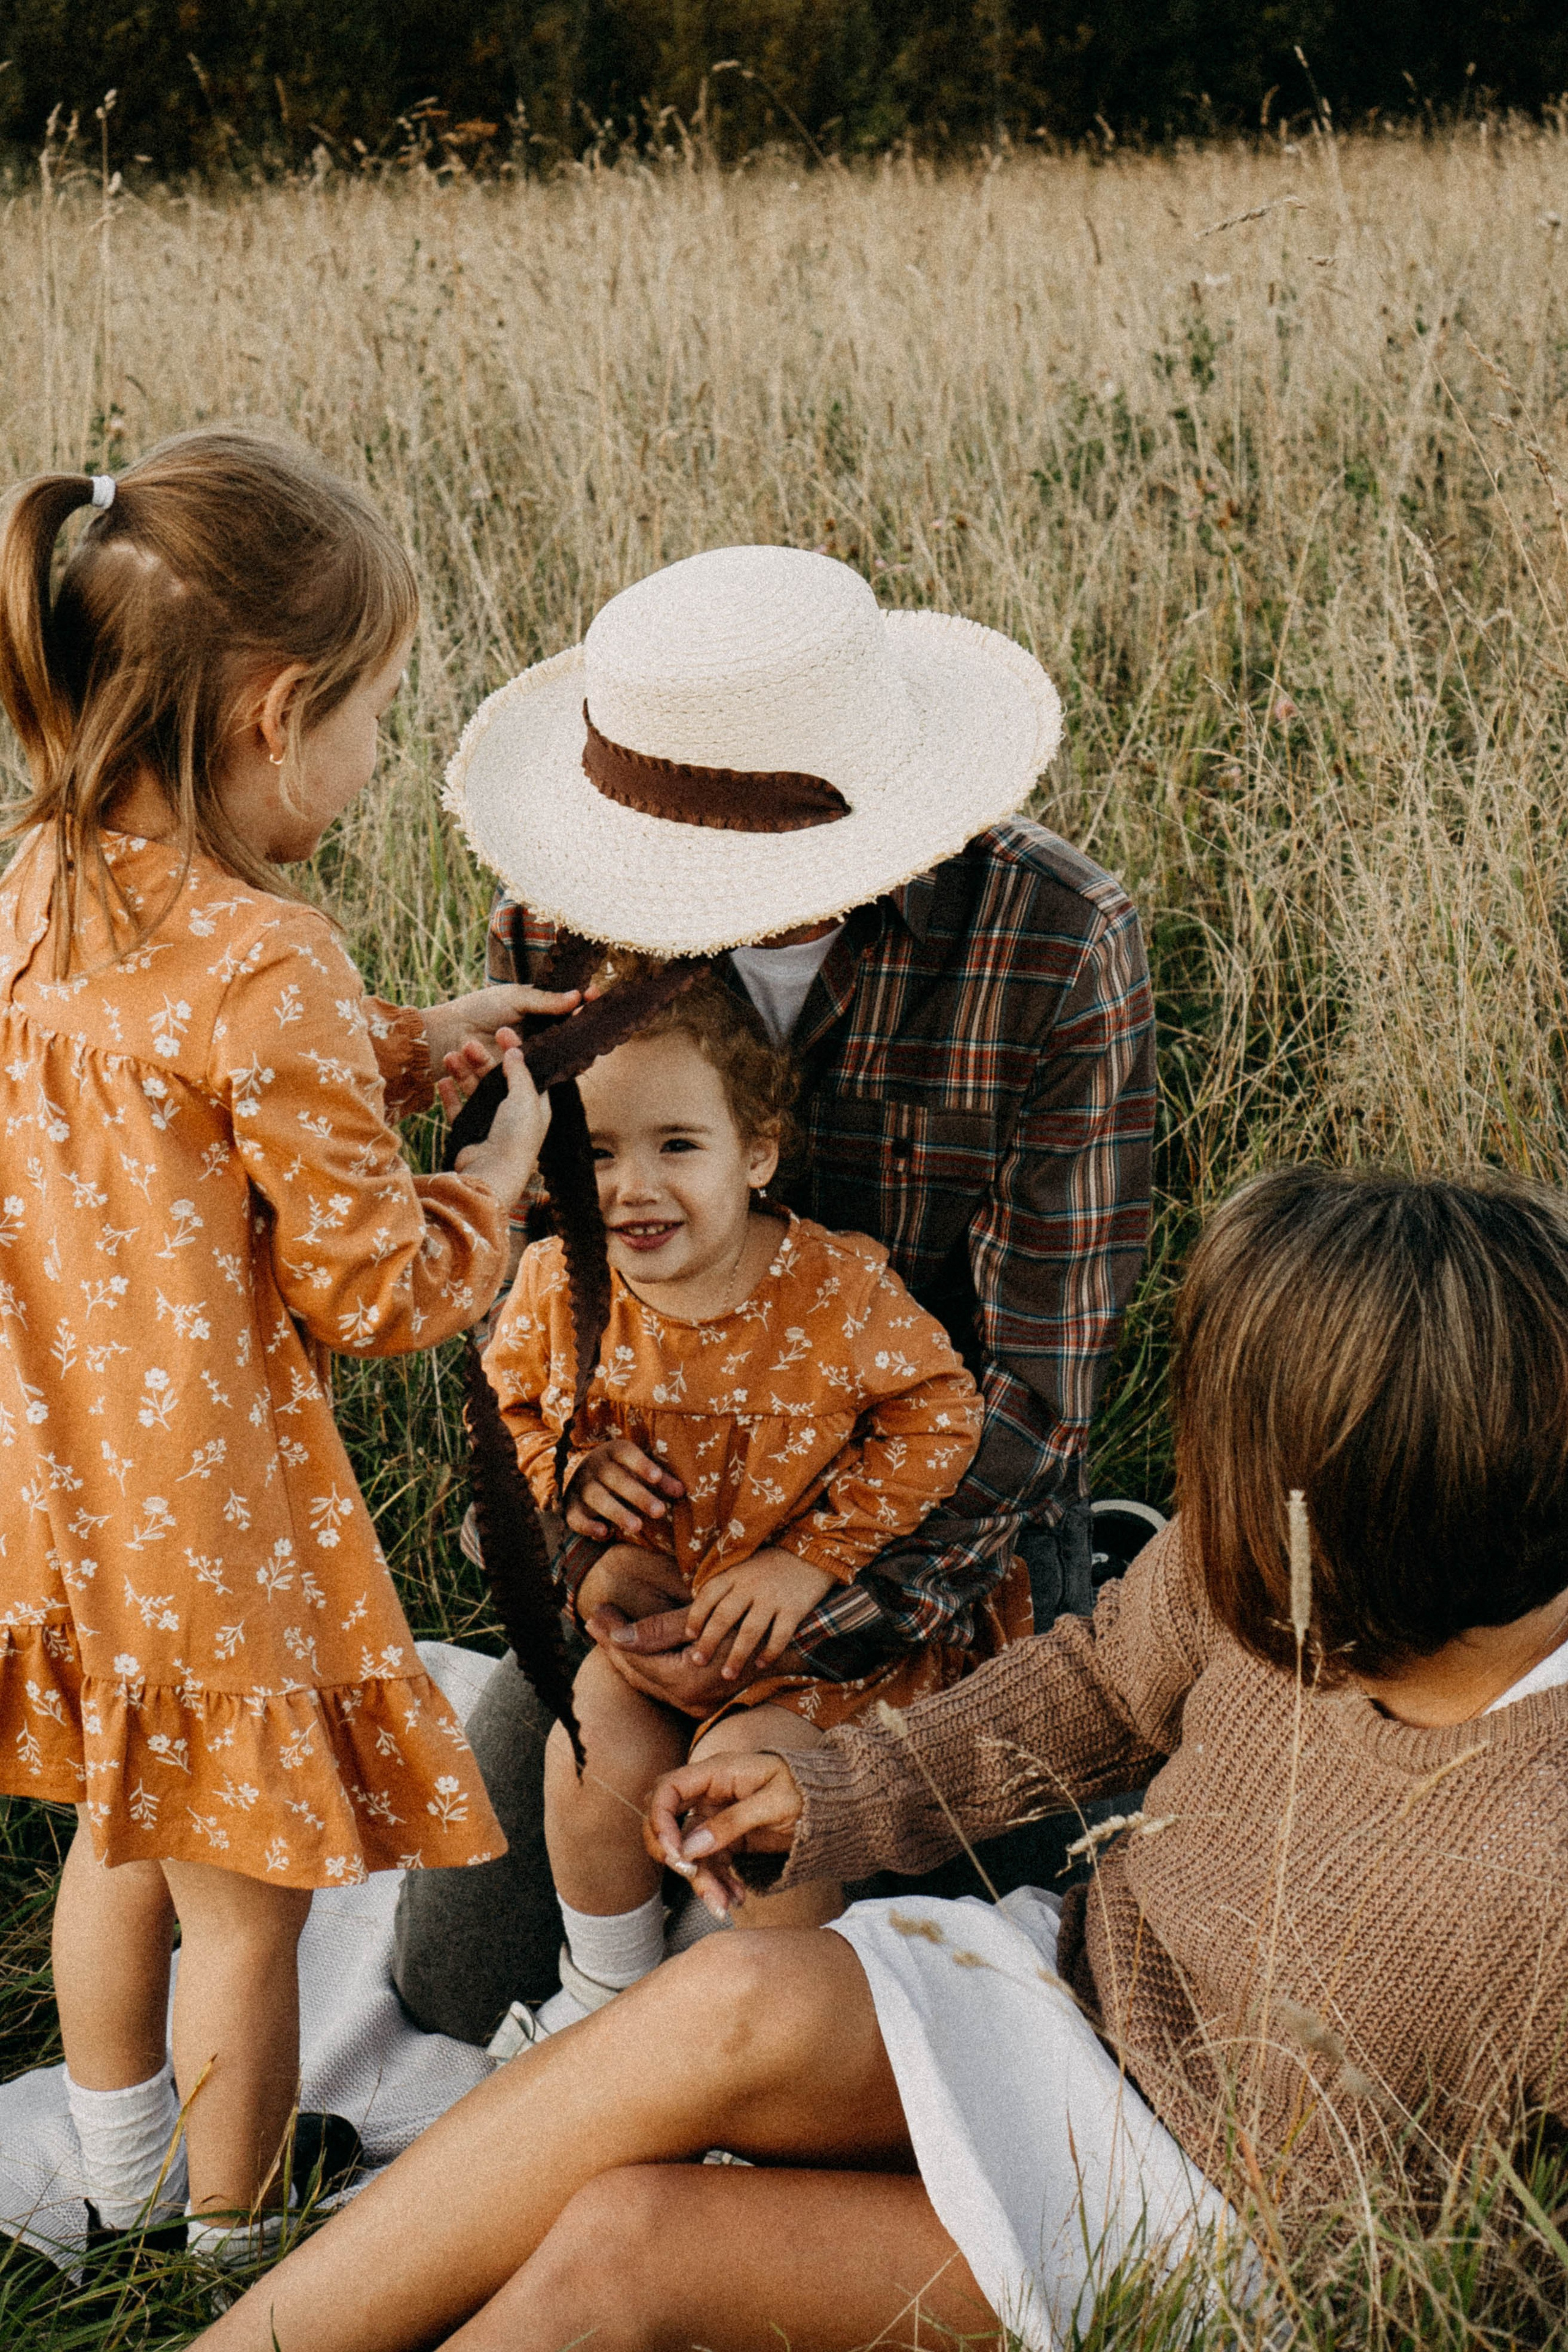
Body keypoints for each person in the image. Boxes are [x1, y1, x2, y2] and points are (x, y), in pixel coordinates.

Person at [192, 1164, 1568, 2350]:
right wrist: (835, 1793)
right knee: (728, 1996)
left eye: (1227, 1463)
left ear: (1355, 1511)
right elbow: (1090, 1684)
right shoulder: (1260, 1567)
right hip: (1085, 1992)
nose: (1197, 1501)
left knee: (628, 2249)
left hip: (1213, 2225)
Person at [393, 540, 1157, 2040]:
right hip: (668, 1552)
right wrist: (573, 1529)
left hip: (926, 1560)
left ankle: (1110, 1606)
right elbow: (525, 1311)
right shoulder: (555, 928)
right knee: (455, 1978)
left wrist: (833, 1604)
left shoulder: (1052, 941)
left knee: (800, 1959)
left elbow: (1034, 1393)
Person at [0, 431, 573, 2266]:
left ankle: (117, 2192)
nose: (382, 759)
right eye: (379, 716)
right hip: (214, 1521)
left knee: (119, 1847)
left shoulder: (30, 894)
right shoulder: (271, 959)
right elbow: (372, 1294)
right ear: (275, 709)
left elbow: (155, 1121)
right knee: (252, 1917)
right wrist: (485, 1176)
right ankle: (238, 2255)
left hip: (58, 1494)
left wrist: (403, 1047)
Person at [480, 971, 1026, 2030]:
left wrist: (816, 1559)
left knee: (749, 1786)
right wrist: (568, 1477)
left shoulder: (832, 1293)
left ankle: (782, 2029)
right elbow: (504, 1415)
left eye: (678, 1147)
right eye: (596, 1154)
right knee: (588, 1744)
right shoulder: (557, 1285)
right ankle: (607, 1996)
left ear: (758, 1154)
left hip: (810, 1648)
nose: (632, 1188)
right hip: (659, 1621)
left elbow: (940, 1417)